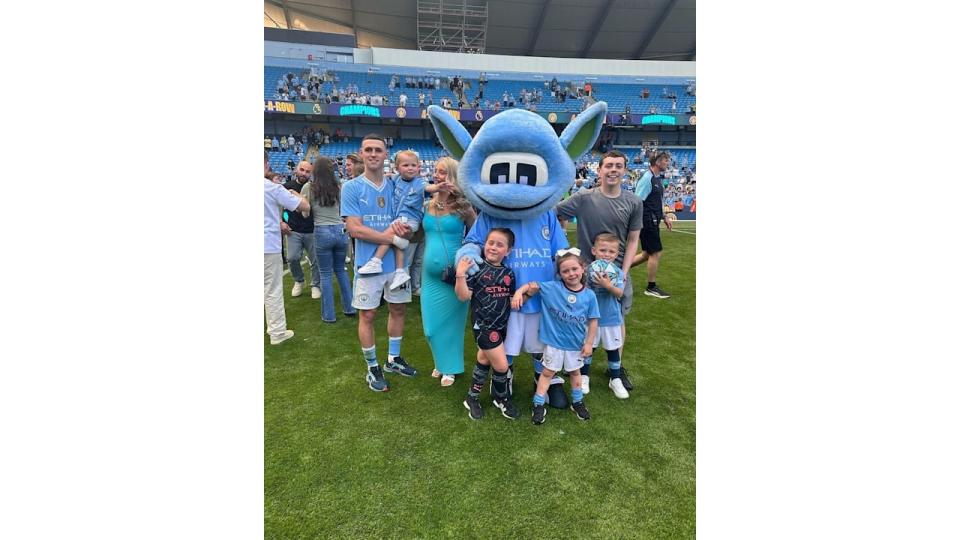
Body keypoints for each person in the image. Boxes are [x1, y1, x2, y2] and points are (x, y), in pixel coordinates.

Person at [555, 149, 642, 389]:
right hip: (585, 275)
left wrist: (623, 272)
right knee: (581, 318)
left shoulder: (633, 202)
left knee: (617, 317)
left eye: (618, 166)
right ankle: (579, 369)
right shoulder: (584, 198)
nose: (613, 170)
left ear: (624, 170)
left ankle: (616, 369)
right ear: (600, 170)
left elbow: (634, 239)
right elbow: (554, 213)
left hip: (617, 272)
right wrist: (562, 245)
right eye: (608, 165)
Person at [341, 134, 418, 392]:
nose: (373, 154)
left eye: (378, 150)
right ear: (361, 154)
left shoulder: (397, 185)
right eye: (368, 150)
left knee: (398, 310)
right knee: (368, 314)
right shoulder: (351, 187)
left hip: (396, 267)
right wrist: (389, 236)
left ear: (386, 155)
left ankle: (393, 359)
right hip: (367, 264)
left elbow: (409, 220)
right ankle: (372, 367)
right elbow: (354, 229)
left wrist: (405, 231)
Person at [512, 249, 599, 425]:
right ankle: (537, 404)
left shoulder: (589, 296)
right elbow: (531, 285)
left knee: (575, 372)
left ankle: (577, 402)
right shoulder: (553, 288)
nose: (571, 274)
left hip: (575, 344)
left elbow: (593, 321)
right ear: (559, 274)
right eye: (565, 271)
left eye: (574, 269)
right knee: (547, 373)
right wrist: (518, 293)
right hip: (554, 344)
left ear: (582, 268)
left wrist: (589, 343)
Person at [420, 157, 476, 386]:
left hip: (454, 274)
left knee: (451, 324)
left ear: (452, 176)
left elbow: (477, 234)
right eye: (435, 171)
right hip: (429, 274)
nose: (437, 175)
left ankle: (449, 368)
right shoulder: (428, 203)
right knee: (431, 327)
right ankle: (440, 361)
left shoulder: (463, 206)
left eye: (442, 172)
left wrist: (467, 259)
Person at [456, 228, 519, 420]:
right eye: (491, 242)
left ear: (507, 251)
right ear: (484, 245)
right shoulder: (477, 269)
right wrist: (460, 275)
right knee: (501, 366)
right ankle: (502, 398)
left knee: (484, 360)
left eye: (500, 245)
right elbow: (463, 296)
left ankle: (472, 397)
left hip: (502, 327)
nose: (493, 247)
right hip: (483, 327)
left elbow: (509, 299)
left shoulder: (509, 273)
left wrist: (523, 292)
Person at [356, 150, 437, 291]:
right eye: (406, 165)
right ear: (397, 168)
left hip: (410, 220)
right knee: (398, 244)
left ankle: (376, 260)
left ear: (419, 167)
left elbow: (428, 187)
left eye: (413, 165)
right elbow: (386, 177)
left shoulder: (419, 183)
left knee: (388, 236)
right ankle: (400, 272)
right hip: (400, 218)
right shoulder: (396, 178)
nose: (410, 168)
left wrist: (438, 187)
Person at [303, 156, 357, 323]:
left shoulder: (309, 188)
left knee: (325, 274)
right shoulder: (339, 187)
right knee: (341, 270)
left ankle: (329, 315)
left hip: (321, 230)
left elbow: (305, 213)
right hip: (340, 231)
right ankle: (349, 307)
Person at [264, 152, 310, 345]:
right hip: (267, 244)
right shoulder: (271, 188)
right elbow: (305, 205)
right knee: (272, 289)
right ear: (266, 164)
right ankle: (277, 332)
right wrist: (294, 194)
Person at [585, 233, 629, 399]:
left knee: (613, 349)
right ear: (594, 250)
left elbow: (618, 293)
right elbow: (583, 290)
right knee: (589, 347)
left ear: (616, 254)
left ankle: (615, 378)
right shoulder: (588, 270)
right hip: (592, 318)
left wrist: (607, 285)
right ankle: (584, 376)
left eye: (611, 252)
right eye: (603, 250)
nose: (606, 254)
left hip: (611, 318)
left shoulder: (617, 272)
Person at [633, 150, 674, 299]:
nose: (667, 163)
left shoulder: (657, 178)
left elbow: (657, 202)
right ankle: (651, 287)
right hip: (647, 220)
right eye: (665, 161)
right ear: (657, 162)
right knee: (655, 252)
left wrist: (664, 216)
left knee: (646, 254)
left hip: (654, 219)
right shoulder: (647, 178)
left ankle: (619, 270)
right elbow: (637, 201)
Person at [283, 161, 321, 299]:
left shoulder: (315, 187)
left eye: (307, 171)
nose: (304, 173)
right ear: (296, 170)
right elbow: (280, 208)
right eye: (302, 170)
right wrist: (282, 221)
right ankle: (299, 280)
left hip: (312, 229)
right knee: (292, 258)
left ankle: (316, 284)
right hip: (293, 230)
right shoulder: (286, 187)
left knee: (316, 259)